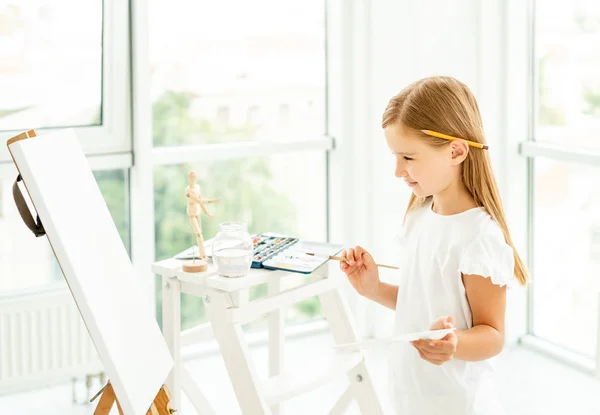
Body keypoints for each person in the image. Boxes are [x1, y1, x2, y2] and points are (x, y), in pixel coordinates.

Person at [340, 76, 528, 414]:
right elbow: (422, 305)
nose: (398, 171)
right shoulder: (419, 214)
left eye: (408, 158)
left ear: (455, 151)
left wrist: (453, 345)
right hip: (411, 397)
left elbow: (493, 335)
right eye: (395, 157)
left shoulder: (479, 238)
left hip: (456, 404)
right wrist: (374, 288)